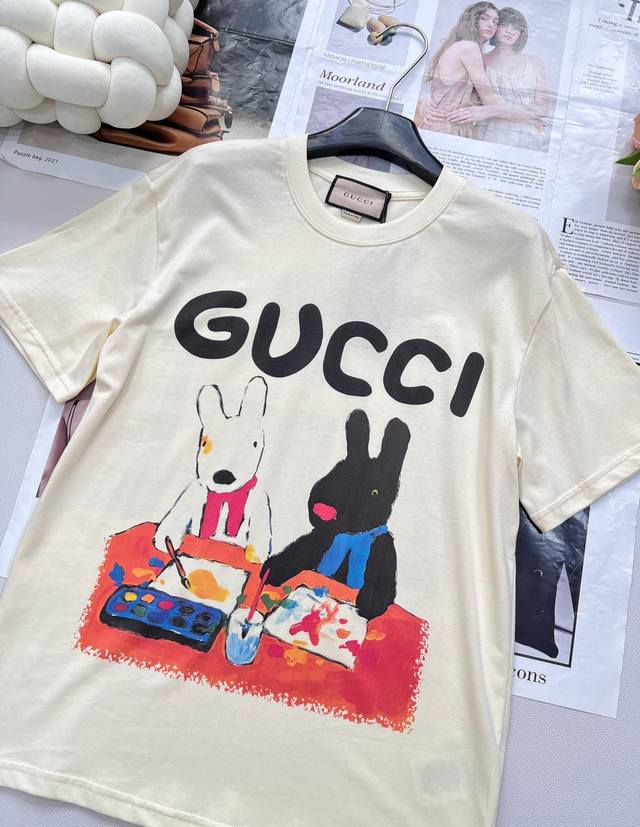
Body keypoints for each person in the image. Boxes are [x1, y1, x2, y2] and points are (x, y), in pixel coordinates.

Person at [448, 7, 549, 149]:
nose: (510, 31)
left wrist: (491, 110)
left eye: (516, 28)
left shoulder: (535, 63)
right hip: (488, 135)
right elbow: (458, 97)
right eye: (504, 25)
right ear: (494, 27)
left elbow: (542, 110)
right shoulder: (479, 59)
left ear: (521, 33)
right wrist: (428, 106)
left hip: (528, 137)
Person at [415, 2, 500, 138]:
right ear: (472, 20)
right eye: (484, 18)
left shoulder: (458, 47)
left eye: (495, 22)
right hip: (449, 128)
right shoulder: (469, 47)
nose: (491, 25)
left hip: (442, 125)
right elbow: (489, 100)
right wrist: (524, 113)